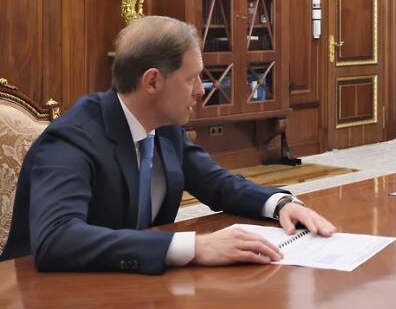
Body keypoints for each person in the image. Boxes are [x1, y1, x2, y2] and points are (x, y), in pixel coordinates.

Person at [0, 16, 336, 274]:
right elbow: (57, 239)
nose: (201, 90)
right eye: (191, 78)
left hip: (129, 283)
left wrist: (279, 204)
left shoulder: (165, 127)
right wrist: (193, 247)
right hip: (48, 291)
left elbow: (216, 183)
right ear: (152, 81)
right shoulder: (73, 138)